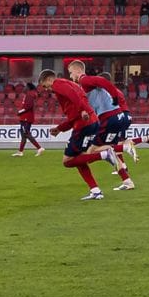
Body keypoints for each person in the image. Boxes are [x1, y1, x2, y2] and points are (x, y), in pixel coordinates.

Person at [38, 69, 105, 200]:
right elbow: (75, 109)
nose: (46, 90)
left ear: (48, 80)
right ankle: (95, 190)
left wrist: (82, 110)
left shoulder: (57, 84)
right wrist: (60, 128)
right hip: (91, 122)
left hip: (83, 124)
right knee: (78, 159)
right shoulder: (69, 84)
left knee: (67, 161)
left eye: (45, 86)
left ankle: (104, 155)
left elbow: (74, 96)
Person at [71, 61, 137, 188]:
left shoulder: (84, 80)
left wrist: (114, 97)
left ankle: (124, 147)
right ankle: (127, 181)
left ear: (77, 71)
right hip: (116, 117)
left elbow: (102, 81)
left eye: (70, 72)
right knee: (107, 149)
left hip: (109, 118)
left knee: (90, 154)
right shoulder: (87, 88)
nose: (70, 76)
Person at [14, 85, 45, 155]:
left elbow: (28, 106)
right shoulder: (30, 95)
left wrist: (20, 112)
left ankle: (39, 148)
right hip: (26, 117)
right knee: (24, 135)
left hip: (26, 118)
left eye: (25, 87)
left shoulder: (29, 95)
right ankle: (20, 151)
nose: (24, 87)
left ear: (28, 88)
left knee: (26, 133)